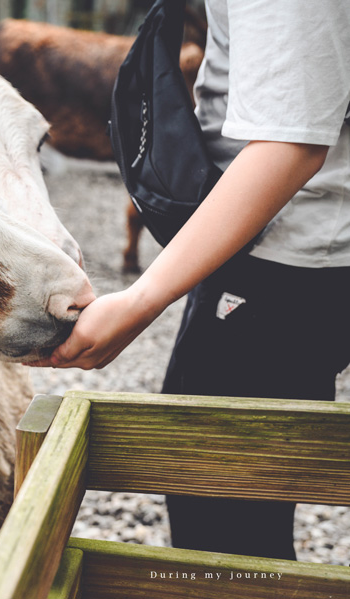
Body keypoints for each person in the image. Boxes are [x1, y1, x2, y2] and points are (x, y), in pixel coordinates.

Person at [37, 0, 350, 560]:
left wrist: (139, 301)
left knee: (218, 522)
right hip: (276, 246)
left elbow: (292, 144)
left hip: (280, 260)